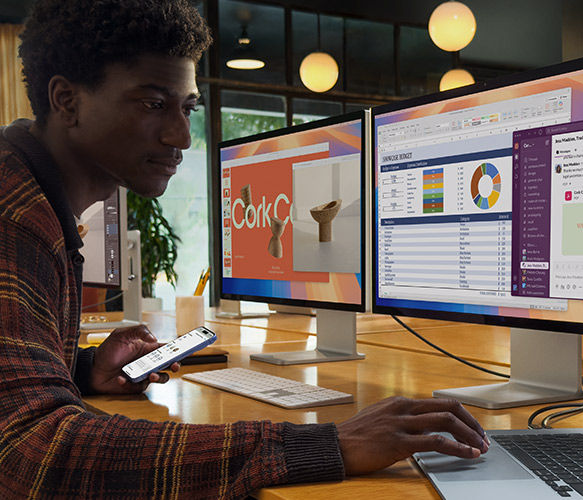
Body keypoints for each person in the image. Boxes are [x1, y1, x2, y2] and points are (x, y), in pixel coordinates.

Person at [0, 1, 488, 497]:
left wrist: (82, 370)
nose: (181, 137)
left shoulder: (29, 193)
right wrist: (329, 444)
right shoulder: (12, 215)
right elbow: (28, 450)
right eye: (152, 104)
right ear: (66, 100)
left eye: (187, 108)